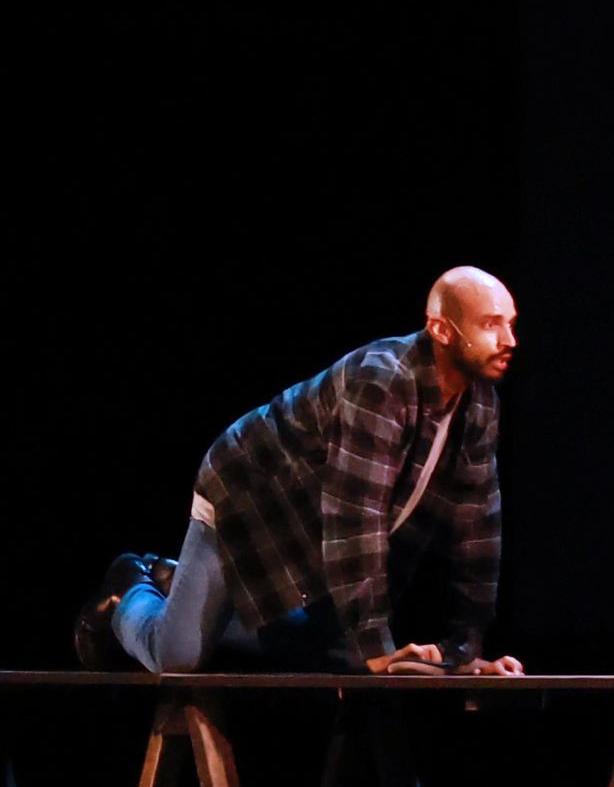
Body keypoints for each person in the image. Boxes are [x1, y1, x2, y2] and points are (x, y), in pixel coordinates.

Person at [74, 267, 525, 677]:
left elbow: (478, 532)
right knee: (178, 657)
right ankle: (129, 591)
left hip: (312, 522)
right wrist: (377, 649)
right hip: (249, 496)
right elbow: (356, 519)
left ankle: (179, 584)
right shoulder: (382, 383)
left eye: (511, 323)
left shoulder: (479, 405)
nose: (510, 340)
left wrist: (466, 651)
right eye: (491, 324)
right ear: (442, 330)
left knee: (343, 656)